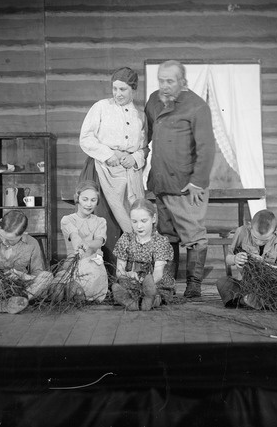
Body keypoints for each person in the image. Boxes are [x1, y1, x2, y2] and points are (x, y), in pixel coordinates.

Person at [145, 60, 215, 298]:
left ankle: (194, 286)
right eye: (161, 80)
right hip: (161, 183)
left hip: (187, 186)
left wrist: (197, 182)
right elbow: (145, 136)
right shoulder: (154, 100)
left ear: (182, 82)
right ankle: (167, 285)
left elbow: (207, 149)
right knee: (167, 236)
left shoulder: (197, 107)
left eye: (170, 81)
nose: (163, 86)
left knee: (194, 236)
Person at [79, 66, 148, 273]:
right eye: (115, 89)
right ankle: (105, 275)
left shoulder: (140, 115)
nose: (118, 94)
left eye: (123, 89)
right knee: (106, 221)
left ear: (133, 89)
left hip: (129, 174)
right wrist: (110, 154)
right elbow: (86, 138)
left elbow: (145, 146)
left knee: (131, 218)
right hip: (102, 170)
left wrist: (134, 157)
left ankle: (129, 274)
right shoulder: (101, 107)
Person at [216, 209, 277, 310]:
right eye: (255, 238)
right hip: (245, 284)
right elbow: (228, 259)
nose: (259, 242)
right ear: (250, 226)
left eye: (264, 240)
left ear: (275, 231)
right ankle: (258, 301)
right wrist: (235, 258)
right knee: (223, 282)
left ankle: (251, 301)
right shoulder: (242, 232)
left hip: (271, 286)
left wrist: (264, 264)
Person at [110, 199, 175, 311]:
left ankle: (151, 299)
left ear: (153, 219)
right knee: (123, 285)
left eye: (144, 221)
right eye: (134, 222)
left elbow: (158, 273)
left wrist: (146, 284)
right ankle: (130, 301)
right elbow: (119, 271)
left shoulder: (160, 241)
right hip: (133, 282)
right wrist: (127, 274)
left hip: (154, 281)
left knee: (155, 290)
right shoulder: (126, 239)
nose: (139, 226)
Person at [54, 181, 108, 303]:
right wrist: (80, 244)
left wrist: (88, 244)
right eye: (85, 199)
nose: (89, 204)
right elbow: (74, 236)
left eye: (93, 200)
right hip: (75, 260)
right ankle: (70, 289)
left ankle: (75, 291)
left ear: (97, 201)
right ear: (77, 198)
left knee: (93, 272)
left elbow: (99, 241)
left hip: (95, 260)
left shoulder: (100, 221)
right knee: (76, 275)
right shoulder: (67, 220)